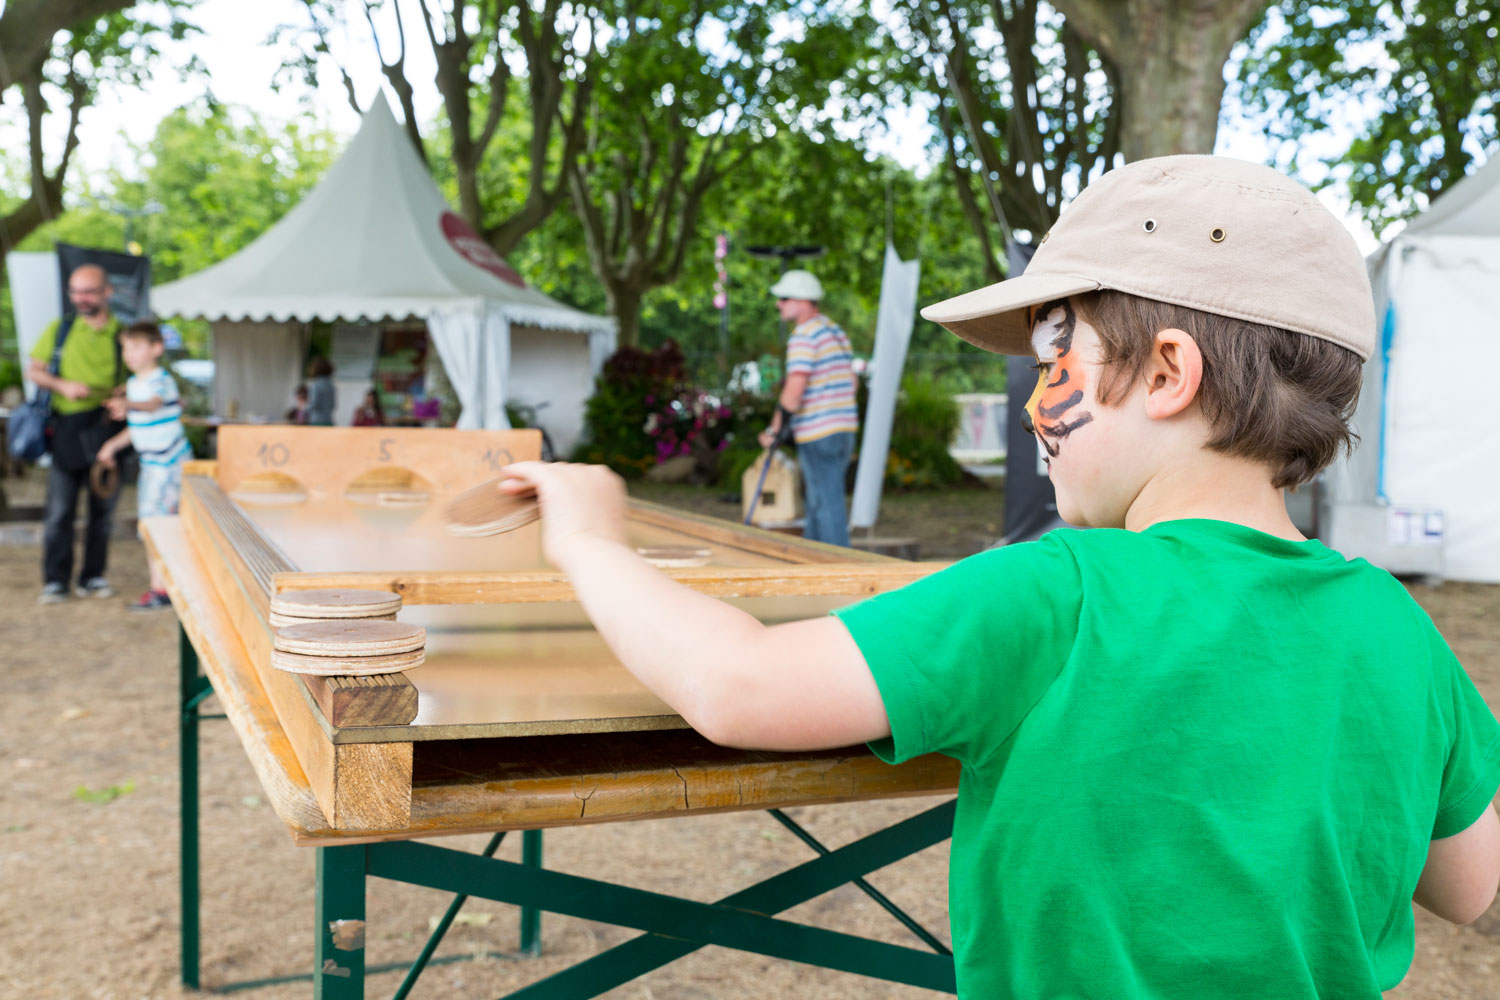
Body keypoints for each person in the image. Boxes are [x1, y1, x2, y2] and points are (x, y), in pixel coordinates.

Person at [499, 156, 1500, 998]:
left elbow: (739, 684)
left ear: (1165, 373)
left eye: (1054, 365)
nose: (1033, 410)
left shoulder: (1058, 591)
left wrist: (589, 540)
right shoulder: (1397, 627)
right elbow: (1465, 884)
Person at [27, 264, 126, 604]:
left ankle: (93, 576)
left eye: (88, 291)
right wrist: (62, 385)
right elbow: (35, 370)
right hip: (67, 431)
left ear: (106, 292)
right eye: (75, 291)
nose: (81, 298)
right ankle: (55, 581)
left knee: (102, 513)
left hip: (107, 433)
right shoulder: (61, 329)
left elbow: (138, 379)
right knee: (60, 513)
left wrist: (123, 398)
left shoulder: (121, 334)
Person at [757, 270, 858, 546]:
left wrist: (774, 430)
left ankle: (842, 575)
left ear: (803, 301)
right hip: (844, 429)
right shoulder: (835, 332)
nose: (779, 303)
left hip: (818, 432)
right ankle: (813, 568)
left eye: (784, 297)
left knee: (826, 506)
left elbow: (794, 390)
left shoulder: (804, 335)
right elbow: (852, 381)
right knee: (818, 504)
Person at [96, 321, 191, 611]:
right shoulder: (134, 385)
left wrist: (128, 405)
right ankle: (162, 587)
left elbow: (152, 405)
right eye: (126, 347)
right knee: (155, 526)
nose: (130, 353)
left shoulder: (159, 380)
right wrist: (111, 445)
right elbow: (139, 425)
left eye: (137, 346)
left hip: (169, 465)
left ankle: (163, 590)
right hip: (153, 466)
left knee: (159, 526)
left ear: (156, 348)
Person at [306, 356, 335, 426]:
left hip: (317, 421)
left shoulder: (316, 385)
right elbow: (333, 405)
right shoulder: (330, 385)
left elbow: (314, 404)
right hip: (328, 420)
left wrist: (304, 409)